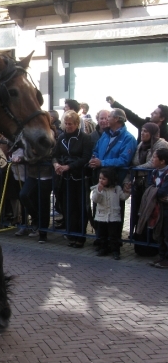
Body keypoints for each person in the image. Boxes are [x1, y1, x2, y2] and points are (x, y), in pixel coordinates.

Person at [53, 110, 93, 247]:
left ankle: (80, 237)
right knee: (68, 207)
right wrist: (56, 164)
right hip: (65, 178)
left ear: (77, 124)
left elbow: (85, 158)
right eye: (66, 123)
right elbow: (55, 154)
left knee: (81, 207)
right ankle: (71, 234)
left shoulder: (85, 138)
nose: (68, 126)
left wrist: (69, 166)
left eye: (71, 124)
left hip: (80, 177)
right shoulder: (61, 137)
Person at [129, 123, 168, 256]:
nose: (143, 133)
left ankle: (154, 247)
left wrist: (138, 169)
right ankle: (140, 245)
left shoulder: (160, 145)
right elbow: (134, 161)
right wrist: (136, 170)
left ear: (152, 133)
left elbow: (152, 163)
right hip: (140, 184)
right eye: (142, 131)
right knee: (140, 213)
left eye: (146, 131)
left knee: (153, 214)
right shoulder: (140, 145)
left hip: (151, 183)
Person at [92, 167, 131, 260]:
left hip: (113, 216)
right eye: (100, 178)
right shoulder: (97, 188)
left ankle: (115, 251)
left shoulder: (116, 189)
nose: (101, 180)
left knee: (114, 235)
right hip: (102, 216)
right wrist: (99, 191)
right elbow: (95, 199)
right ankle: (103, 248)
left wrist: (127, 192)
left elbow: (123, 197)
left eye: (104, 179)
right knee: (102, 234)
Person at [144, 148, 168, 268]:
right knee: (160, 233)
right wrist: (155, 192)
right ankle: (162, 257)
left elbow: (163, 191)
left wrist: (154, 191)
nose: (152, 159)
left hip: (166, 209)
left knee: (167, 233)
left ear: (162, 161)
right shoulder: (154, 172)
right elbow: (149, 187)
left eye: (154, 157)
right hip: (157, 207)